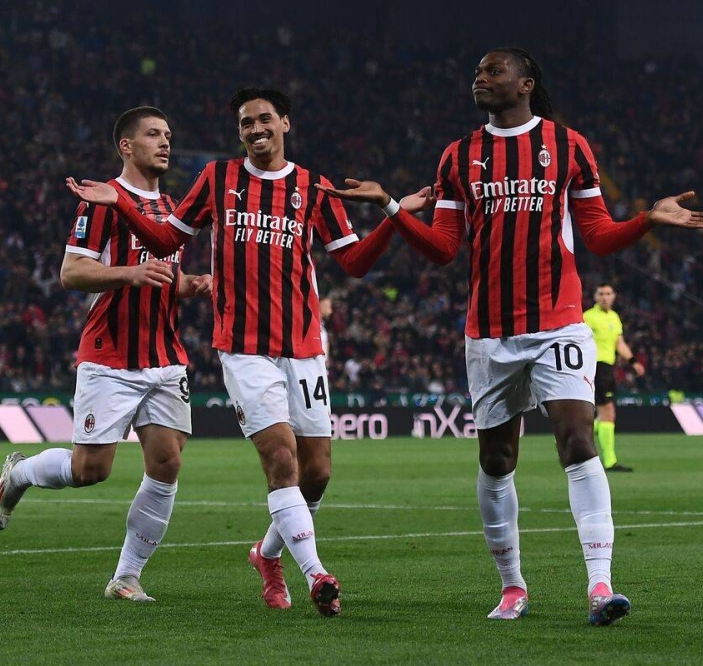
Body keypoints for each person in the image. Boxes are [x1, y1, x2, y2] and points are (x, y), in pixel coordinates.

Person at [318, 47, 703, 624]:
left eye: (493, 71)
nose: (479, 79)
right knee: (497, 458)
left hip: (559, 322)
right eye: (477, 72)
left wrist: (646, 221)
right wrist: (389, 205)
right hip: (490, 333)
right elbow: (444, 249)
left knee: (577, 440)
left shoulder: (568, 146)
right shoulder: (458, 155)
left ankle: (601, 585)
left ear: (526, 83)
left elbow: (598, 236)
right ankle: (512, 587)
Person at [65, 88, 431, 616]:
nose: (255, 129)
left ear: (285, 123)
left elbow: (353, 262)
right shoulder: (217, 179)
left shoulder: (314, 187)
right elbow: (165, 242)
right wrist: (120, 201)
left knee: (317, 473)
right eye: (245, 123)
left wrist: (392, 214)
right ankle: (317, 575)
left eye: (264, 119)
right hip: (243, 348)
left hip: (304, 347)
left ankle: (267, 554)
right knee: (280, 458)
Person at [0, 106, 213, 603]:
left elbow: (165, 277)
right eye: (153, 134)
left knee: (167, 462)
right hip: (110, 354)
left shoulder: (173, 208)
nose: (165, 142)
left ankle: (126, 577)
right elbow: (71, 273)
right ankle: (19, 474)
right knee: (91, 470)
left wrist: (193, 284)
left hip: (165, 355)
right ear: (126, 146)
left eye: (168, 134)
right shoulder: (101, 201)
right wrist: (129, 274)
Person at [584, 283, 643, 472]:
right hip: (595, 366)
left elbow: (619, 343)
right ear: (595, 297)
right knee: (608, 412)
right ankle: (610, 461)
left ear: (614, 296)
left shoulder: (614, 317)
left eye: (608, 293)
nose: (605, 297)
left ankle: (573, 435)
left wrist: (633, 361)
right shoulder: (588, 317)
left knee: (604, 414)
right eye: (601, 293)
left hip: (607, 368)